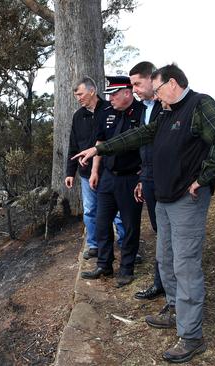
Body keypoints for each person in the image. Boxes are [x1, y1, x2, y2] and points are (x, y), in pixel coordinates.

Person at [73, 63, 215, 363]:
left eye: (157, 89)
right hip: (163, 199)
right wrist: (100, 150)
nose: (154, 95)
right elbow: (139, 136)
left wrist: (204, 177)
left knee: (186, 264)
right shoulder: (165, 112)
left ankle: (191, 337)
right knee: (165, 257)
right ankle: (175, 310)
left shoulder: (199, 105)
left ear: (172, 84)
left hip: (187, 199)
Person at [80, 75, 143, 288]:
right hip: (108, 177)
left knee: (130, 224)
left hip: (130, 178)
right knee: (101, 221)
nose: (110, 98)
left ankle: (127, 268)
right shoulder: (106, 113)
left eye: (114, 94)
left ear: (127, 92)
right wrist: (95, 172)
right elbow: (100, 143)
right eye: (109, 95)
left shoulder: (142, 113)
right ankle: (104, 264)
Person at [65, 76, 125, 260]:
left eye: (81, 94)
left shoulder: (110, 110)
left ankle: (124, 243)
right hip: (85, 173)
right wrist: (70, 172)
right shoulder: (78, 116)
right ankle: (94, 244)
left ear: (92, 91)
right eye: (76, 95)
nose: (78, 98)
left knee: (118, 211)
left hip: (109, 171)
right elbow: (73, 145)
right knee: (90, 210)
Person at [129, 61, 166, 301]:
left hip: (168, 180)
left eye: (137, 84)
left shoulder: (168, 107)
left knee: (166, 235)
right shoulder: (144, 109)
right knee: (158, 232)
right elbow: (144, 147)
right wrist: (143, 178)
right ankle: (161, 282)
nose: (134, 90)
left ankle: (164, 284)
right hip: (150, 179)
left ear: (152, 79)